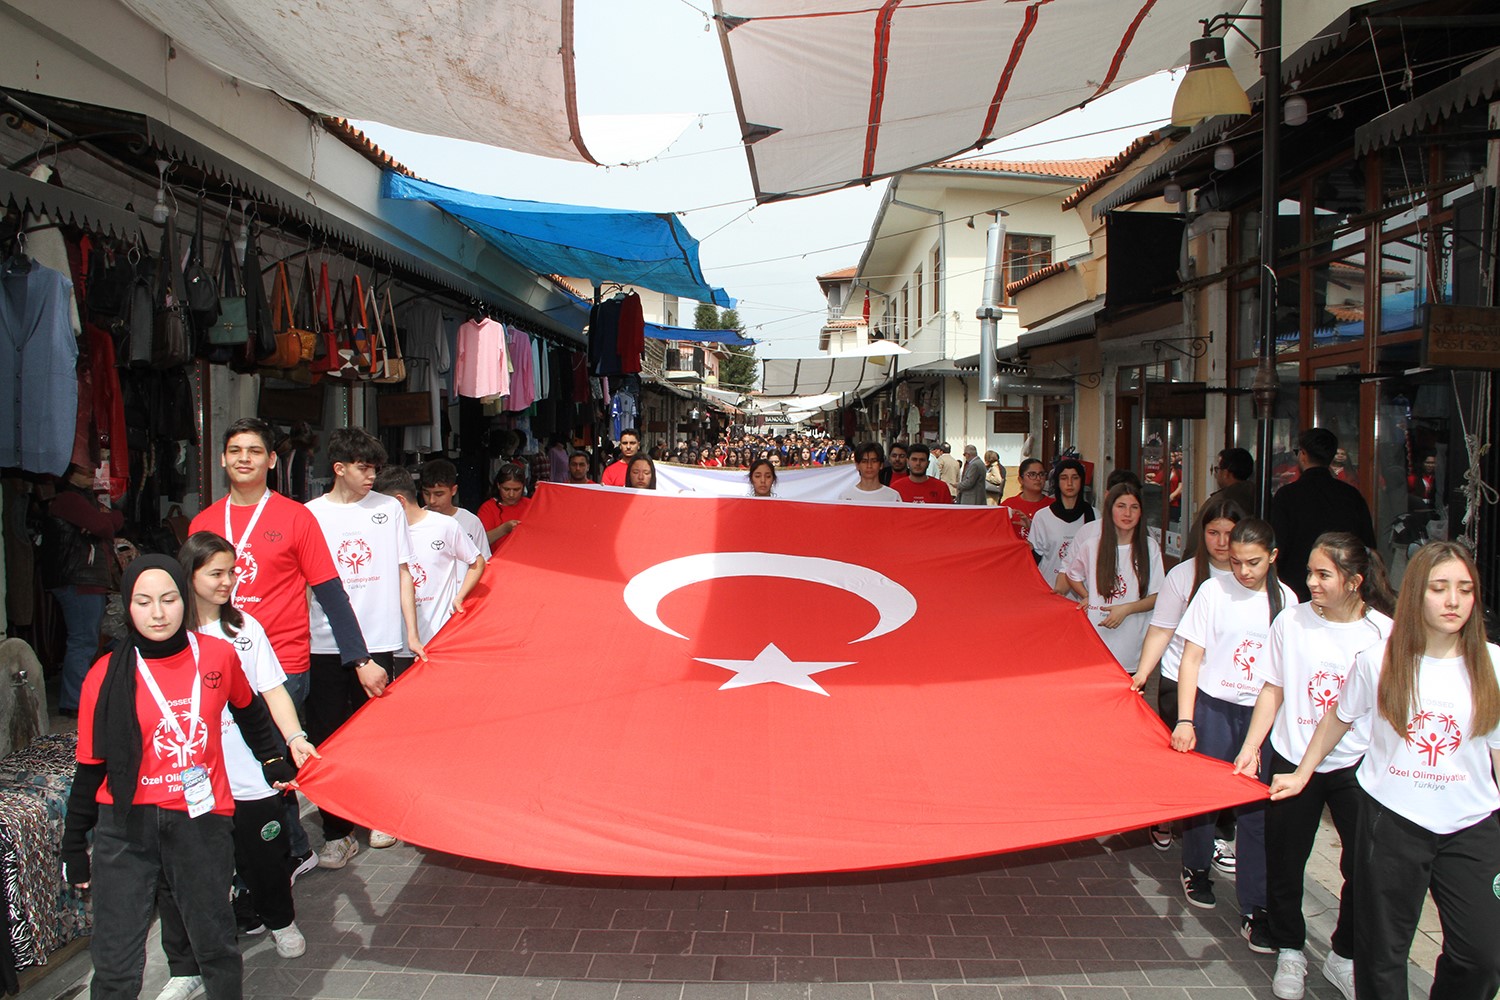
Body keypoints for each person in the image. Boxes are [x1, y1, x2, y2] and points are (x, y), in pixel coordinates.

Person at [1270, 541, 1500, 1000]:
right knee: (1382, 957)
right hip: (1393, 820)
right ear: (1417, 594)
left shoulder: (1492, 663)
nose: (1453, 601)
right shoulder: (1380, 660)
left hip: (1470, 825)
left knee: (1483, 956)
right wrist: (1302, 773)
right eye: (1439, 588)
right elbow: (1339, 716)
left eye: (1464, 589)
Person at [61, 555, 293, 1000]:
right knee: (114, 957)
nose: (158, 612)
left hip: (199, 820)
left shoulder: (219, 655)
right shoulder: (104, 675)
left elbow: (249, 710)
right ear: (127, 607)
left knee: (216, 941)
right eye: (143, 602)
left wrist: (271, 758)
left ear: (183, 600)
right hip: (125, 824)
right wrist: (74, 845)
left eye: (168, 599)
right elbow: (89, 769)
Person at [188, 417, 371, 883]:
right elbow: (189, 593)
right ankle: (268, 848)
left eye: (254, 450)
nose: (243, 458)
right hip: (217, 660)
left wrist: (360, 658)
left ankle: (285, 851)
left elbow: (330, 592)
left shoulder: (295, 516)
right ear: (224, 459)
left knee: (266, 755)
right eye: (235, 450)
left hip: (282, 664)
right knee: (236, 758)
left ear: (272, 461)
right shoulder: (205, 522)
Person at [150, 532, 322, 998]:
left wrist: (295, 738)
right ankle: (185, 968)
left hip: (248, 772)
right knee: (188, 875)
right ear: (190, 574)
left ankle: (280, 921)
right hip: (188, 778)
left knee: (266, 857)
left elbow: (271, 691)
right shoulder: (167, 633)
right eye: (217, 573)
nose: (229, 581)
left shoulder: (245, 627)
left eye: (232, 572)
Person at [1233, 533, 1395, 1000]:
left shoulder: (1382, 633)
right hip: (1291, 755)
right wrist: (1252, 746)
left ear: (1355, 581)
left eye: (1323, 574)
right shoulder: (1291, 621)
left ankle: (1344, 954)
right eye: (1309, 572)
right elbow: (1273, 688)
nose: (1311, 583)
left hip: (1356, 765)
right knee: (1285, 858)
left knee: (1363, 865)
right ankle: (1290, 949)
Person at [1172, 518, 1296, 949]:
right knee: (1206, 799)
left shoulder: (1287, 601)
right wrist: (1186, 720)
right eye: (1237, 561)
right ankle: (1197, 866)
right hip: (1214, 707)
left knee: (1256, 811)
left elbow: (1284, 676)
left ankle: (1253, 906)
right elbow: (1192, 658)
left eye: (1254, 562)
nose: (1243, 571)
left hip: (1262, 715)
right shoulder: (1213, 591)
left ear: (1273, 557)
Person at [304, 428, 424, 866]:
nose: (371, 474)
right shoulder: (310, 514)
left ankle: (377, 813)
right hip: (324, 641)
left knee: (376, 732)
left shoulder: (389, 510)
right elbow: (303, 583)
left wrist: (410, 634)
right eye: (362, 466)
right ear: (339, 468)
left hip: (381, 639)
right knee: (328, 735)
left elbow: (403, 572)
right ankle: (336, 831)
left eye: (375, 466)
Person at [1132, 494, 1246, 851]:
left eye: (1230, 533)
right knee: (1177, 756)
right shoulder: (1184, 575)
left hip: (1231, 686)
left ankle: (1219, 834)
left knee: (1224, 760)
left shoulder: (1255, 577)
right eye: (1214, 532)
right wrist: (1140, 675)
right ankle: (1163, 815)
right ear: (1202, 533)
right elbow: (1162, 629)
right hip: (1179, 679)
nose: (1222, 542)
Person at [376, 468, 484, 672]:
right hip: (393, 642)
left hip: (437, 639)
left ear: (399, 501)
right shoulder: (381, 531)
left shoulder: (445, 526)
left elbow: (477, 562)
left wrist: (460, 597)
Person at [42, 462, 124, 717]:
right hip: (79, 579)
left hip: (83, 578)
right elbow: (104, 526)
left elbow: (114, 521)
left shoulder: (80, 500)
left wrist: (102, 521)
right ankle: (74, 702)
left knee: (85, 639)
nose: (91, 473)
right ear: (69, 475)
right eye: (83, 470)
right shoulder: (69, 499)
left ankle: (77, 699)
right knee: (83, 640)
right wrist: (101, 522)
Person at [1064, 483, 1163, 674]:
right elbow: (1072, 575)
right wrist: (1088, 596)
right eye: (1121, 506)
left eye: (1134, 507)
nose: (1128, 513)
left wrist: (1126, 609)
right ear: (1109, 511)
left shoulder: (1149, 547)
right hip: (1096, 643)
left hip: (1132, 648)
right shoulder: (1092, 546)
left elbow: (1157, 595)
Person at [1268, 429, 1376, 602]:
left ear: (1303, 455)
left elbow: (1279, 547)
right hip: (1343, 587)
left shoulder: (1288, 495)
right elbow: (1368, 545)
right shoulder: (1351, 495)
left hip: (1296, 590)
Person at [1028, 459, 1094, 587]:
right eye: (1064, 478)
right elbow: (1035, 557)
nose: (1069, 483)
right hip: (1049, 588)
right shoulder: (1042, 517)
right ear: (1057, 482)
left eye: (1075, 478)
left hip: (1084, 594)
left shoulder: (1095, 516)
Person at [420, 458, 490, 559]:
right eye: (426, 493)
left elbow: (484, 560)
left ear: (453, 490)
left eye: (439, 494)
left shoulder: (471, 522)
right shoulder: (414, 521)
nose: (432, 500)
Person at [476, 465, 530, 546]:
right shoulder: (488, 508)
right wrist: (503, 529)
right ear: (498, 486)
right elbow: (479, 542)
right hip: (497, 557)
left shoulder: (531, 505)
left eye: (516, 489)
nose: (511, 494)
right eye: (506, 489)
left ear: (523, 487)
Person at [1000, 458, 1050, 539]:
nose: (1038, 478)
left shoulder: (1054, 506)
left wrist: (1031, 527)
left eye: (1041, 474)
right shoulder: (1008, 506)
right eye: (1032, 474)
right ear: (1020, 480)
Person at [838, 442, 902, 504]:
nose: (869, 466)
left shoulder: (893, 497)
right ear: (857, 465)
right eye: (864, 461)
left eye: (874, 461)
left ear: (881, 465)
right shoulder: (845, 497)